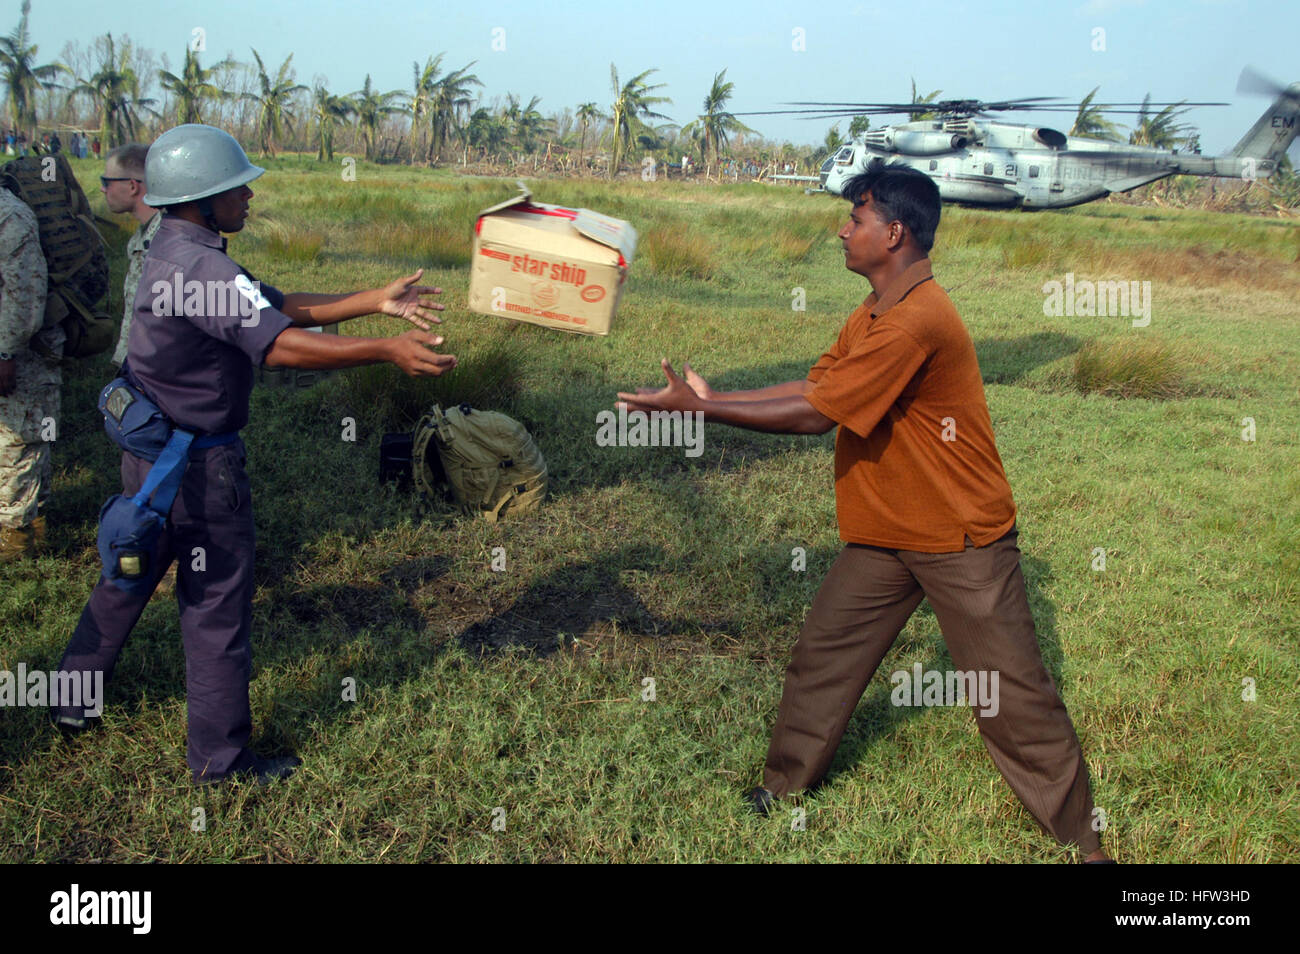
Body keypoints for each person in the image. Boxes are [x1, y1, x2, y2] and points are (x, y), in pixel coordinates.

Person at [617, 160, 1113, 863]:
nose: (842, 230)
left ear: (895, 233)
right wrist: (714, 397)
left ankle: (1083, 846)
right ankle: (784, 787)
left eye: (856, 219)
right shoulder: (875, 312)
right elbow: (816, 384)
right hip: (886, 534)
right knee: (824, 655)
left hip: (961, 537)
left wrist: (701, 411)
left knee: (1011, 696)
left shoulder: (918, 320)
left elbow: (814, 417)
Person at [53, 124, 458, 785]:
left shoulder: (172, 250)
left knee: (129, 571)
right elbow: (276, 346)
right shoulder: (203, 266)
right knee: (215, 612)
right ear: (200, 200)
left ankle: (70, 698)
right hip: (200, 471)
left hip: (152, 455)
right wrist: (384, 348)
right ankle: (220, 763)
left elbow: (271, 306)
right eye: (233, 187)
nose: (248, 196)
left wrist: (373, 301)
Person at [0, 189, 54, 564]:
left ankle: (16, 540)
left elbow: (25, 298)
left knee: (19, 441)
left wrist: (5, 352)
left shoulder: (10, 216)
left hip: (20, 350)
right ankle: (32, 526)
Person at [101, 143, 161, 367]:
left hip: (157, 373)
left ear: (133, 186)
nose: (103, 189)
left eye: (106, 182)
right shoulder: (143, 236)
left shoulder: (165, 241)